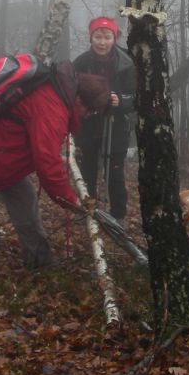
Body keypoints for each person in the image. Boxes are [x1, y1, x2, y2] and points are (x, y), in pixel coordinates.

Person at [0, 65, 110, 269]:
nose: (87, 116)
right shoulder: (53, 108)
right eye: (90, 110)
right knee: (20, 201)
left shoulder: (55, 91)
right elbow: (48, 165)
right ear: (80, 101)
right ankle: (38, 260)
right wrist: (71, 200)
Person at [72, 16, 136, 222]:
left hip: (117, 128)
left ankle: (118, 216)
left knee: (115, 174)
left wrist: (121, 102)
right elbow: (71, 95)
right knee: (87, 171)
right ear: (91, 38)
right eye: (97, 37)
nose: (102, 42)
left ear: (114, 38)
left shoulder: (127, 62)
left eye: (107, 37)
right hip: (87, 127)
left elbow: (137, 96)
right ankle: (88, 212)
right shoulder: (81, 63)